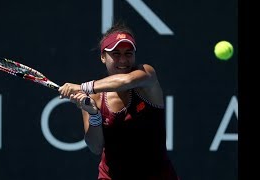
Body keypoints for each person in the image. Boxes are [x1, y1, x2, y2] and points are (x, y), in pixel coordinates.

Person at [58, 21, 179, 180]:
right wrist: (94, 115)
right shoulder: (94, 97)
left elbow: (126, 81)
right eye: (116, 54)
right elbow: (95, 147)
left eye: (128, 53)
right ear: (103, 57)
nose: (123, 60)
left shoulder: (146, 75)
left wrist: (82, 87)